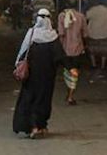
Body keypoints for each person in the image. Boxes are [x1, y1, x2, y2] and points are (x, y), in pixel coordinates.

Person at [12, 9, 77, 139]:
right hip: (47, 76)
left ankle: (33, 127)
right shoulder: (53, 37)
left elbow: (23, 52)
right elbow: (60, 56)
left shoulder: (31, 34)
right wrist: (70, 68)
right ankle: (39, 125)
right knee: (43, 100)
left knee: (30, 99)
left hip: (31, 76)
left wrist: (18, 65)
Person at [57, 0, 87, 105]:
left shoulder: (61, 16)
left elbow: (61, 34)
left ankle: (69, 94)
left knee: (67, 71)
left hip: (65, 49)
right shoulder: (81, 16)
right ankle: (70, 95)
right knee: (75, 72)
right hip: (77, 49)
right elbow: (85, 34)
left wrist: (59, 48)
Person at [85, 0, 107, 72]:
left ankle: (94, 64)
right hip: (105, 33)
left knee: (92, 49)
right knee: (104, 50)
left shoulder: (92, 10)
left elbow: (86, 17)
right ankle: (103, 65)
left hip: (93, 33)